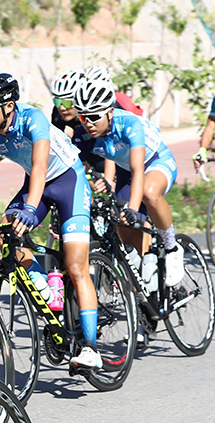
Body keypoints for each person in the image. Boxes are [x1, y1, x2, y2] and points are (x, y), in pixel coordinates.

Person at [0, 71, 102, 369]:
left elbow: (39, 167)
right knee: (4, 233)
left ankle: (91, 348)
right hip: (36, 185)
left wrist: (29, 208)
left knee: (76, 266)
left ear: (8, 106)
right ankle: (45, 288)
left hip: (69, 181)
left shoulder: (32, 119)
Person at [77, 78, 184, 286]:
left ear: (110, 112)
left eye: (94, 116)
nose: (88, 123)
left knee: (148, 192)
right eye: (83, 117)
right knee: (125, 231)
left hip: (155, 161)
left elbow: (138, 170)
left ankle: (172, 247)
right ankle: (146, 286)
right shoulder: (83, 135)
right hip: (126, 171)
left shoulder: (128, 124)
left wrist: (133, 208)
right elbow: (76, 175)